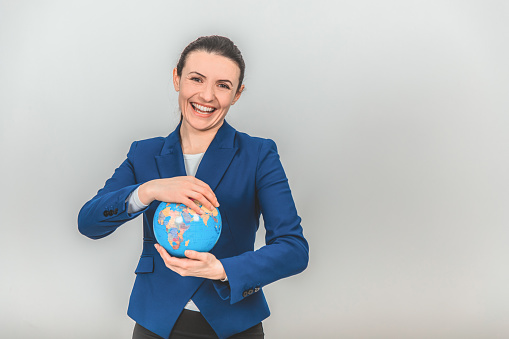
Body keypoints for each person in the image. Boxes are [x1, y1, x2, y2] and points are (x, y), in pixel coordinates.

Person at [78, 35, 309, 339]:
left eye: (223, 85)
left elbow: (294, 249)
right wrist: (148, 191)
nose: (207, 95)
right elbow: (89, 223)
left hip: (233, 322)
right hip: (156, 321)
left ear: (237, 94)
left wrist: (223, 270)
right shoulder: (144, 154)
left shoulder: (258, 154)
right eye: (196, 79)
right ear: (177, 78)